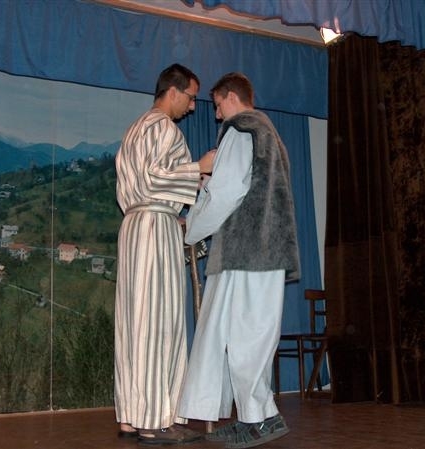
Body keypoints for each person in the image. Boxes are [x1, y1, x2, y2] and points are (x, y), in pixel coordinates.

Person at [178, 72, 300, 449]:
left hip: (247, 250)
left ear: (232, 97)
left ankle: (258, 420)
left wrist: (191, 228)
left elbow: (228, 191)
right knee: (251, 334)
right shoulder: (270, 135)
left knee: (243, 336)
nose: (216, 114)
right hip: (267, 249)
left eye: (217, 105)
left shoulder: (240, 129)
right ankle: (256, 417)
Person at [114, 63, 216, 445]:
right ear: (173, 91)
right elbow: (155, 178)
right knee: (158, 323)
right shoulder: (163, 127)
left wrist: (179, 203)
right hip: (154, 229)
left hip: (136, 226)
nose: (191, 107)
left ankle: (131, 416)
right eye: (190, 97)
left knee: (134, 324)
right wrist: (199, 167)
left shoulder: (135, 129)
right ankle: (155, 421)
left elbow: (143, 183)